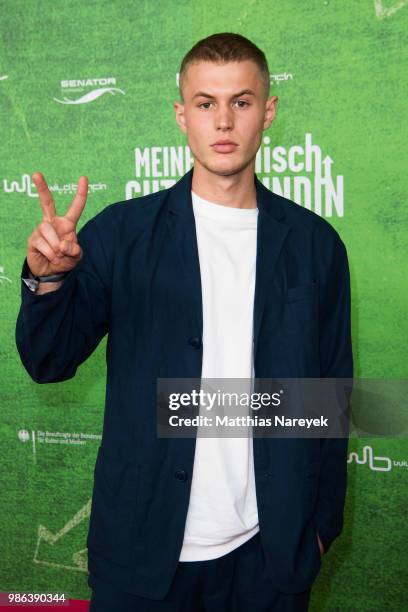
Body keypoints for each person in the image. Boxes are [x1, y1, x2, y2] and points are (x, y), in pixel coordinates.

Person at [15, 32, 353, 612]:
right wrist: (48, 280)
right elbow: (48, 362)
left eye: (241, 102)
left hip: (268, 564)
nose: (224, 121)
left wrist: (319, 530)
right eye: (205, 103)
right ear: (182, 116)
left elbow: (330, 397)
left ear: (267, 112)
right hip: (142, 558)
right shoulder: (121, 234)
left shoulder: (316, 245)